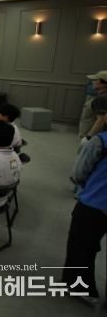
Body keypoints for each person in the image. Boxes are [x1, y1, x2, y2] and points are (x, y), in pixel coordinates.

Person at [63, 97, 107, 302]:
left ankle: (80, 287)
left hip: (94, 203)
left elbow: (78, 174)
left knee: (82, 245)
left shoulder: (100, 141)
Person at [78, 70, 107, 140]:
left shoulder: (102, 98)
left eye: (96, 80)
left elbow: (101, 120)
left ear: (104, 84)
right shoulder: (101, 96)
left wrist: (88, 137)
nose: (93, 82)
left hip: (92, 138)